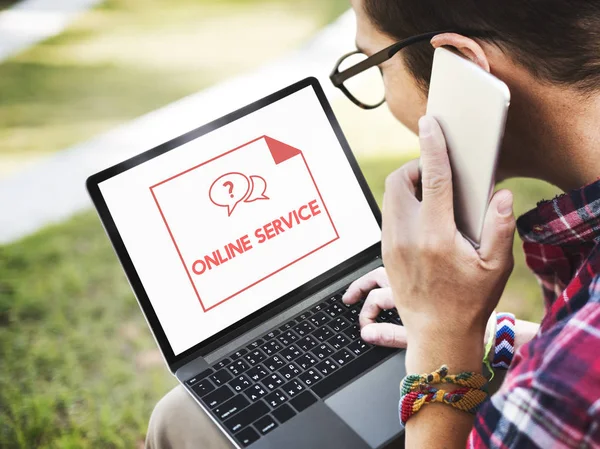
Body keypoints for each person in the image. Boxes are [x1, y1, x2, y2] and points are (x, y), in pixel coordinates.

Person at [146, 0, 600, 447]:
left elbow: (569, 379)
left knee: (177, 421)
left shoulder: (567, 393)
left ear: (463, 69)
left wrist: (442, 341)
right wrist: (487, 335)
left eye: (374, 65)